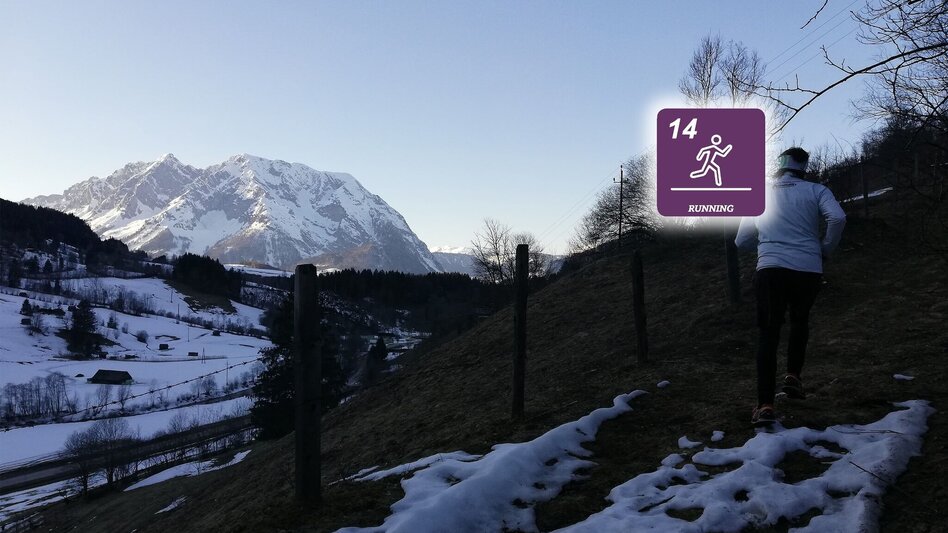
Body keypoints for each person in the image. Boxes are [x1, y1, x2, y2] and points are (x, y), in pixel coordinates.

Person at [735, 147, 846, 425]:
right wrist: (825, 249)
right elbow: (838, 218)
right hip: (808, 268)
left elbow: (741, 240)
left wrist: (765, 246)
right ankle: (793, 377)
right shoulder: (817, 190)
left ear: (780, 165)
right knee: (800, 320)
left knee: (768, 334)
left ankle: (765, 405)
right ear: (804, 167)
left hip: (771, 268)